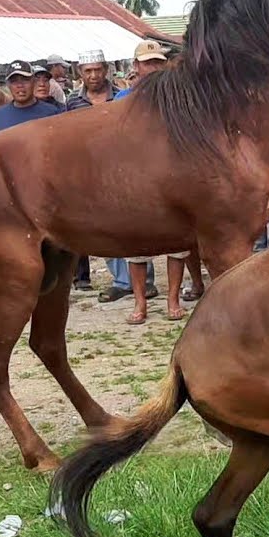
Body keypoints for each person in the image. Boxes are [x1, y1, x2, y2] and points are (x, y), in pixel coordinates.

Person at [66, 49, 139, 300]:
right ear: (80, 73)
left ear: (106, 70)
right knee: (106, 226)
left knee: (135, 223)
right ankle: (121, 280)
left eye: (98, 69)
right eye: (88, 71)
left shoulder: (122, 98)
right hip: (90, 171)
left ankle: (143, 280)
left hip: (123, 167)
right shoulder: (72, 102)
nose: (94, 75)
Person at [116, 40, 180, 324]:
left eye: (157, 62)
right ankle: (140, 303)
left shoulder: (180, 98)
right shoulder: (122, 100)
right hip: (135, 179)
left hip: (171, 177)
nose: (153, 67)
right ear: (136, 66)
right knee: (135, 245)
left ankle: (173, 299)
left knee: (178, 243)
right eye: (147, 62)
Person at [0, 61, 61, 133]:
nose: (20, 85)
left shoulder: (52, 113)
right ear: (8, 85)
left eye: (25, 80)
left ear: (33, 81)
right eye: (14, 81)